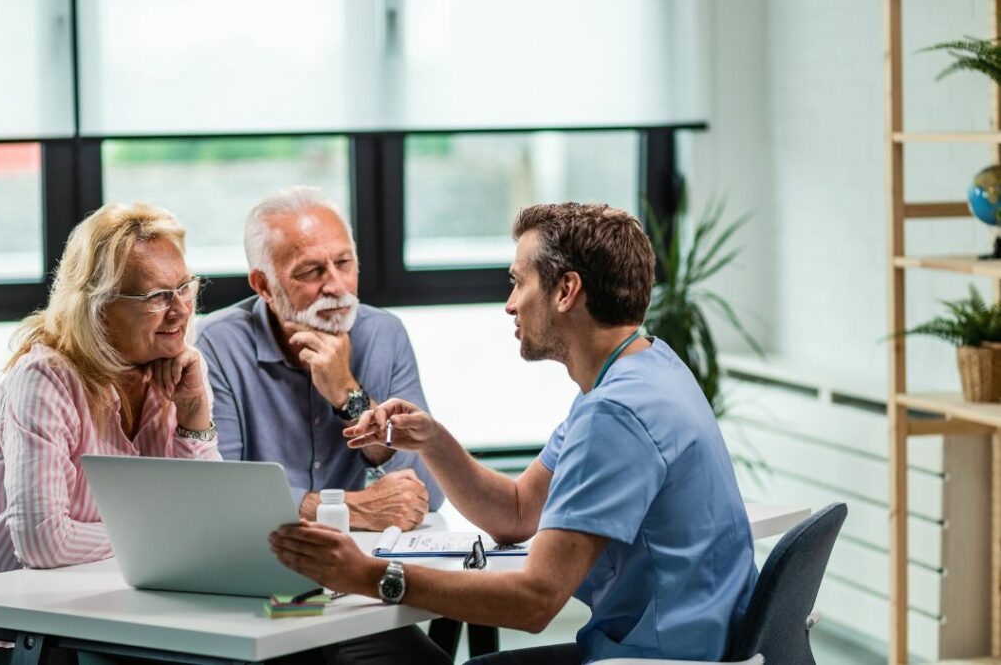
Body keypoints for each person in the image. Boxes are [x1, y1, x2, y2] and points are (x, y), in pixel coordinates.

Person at [270, 203, 759, 664]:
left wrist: (371, 575)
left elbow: (534, 601)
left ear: (566, 291)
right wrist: (433, 442)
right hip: (691, 644)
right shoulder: (642, 368)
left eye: (518, 282)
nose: (509, 305)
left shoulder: (615, 413)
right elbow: (519, 511)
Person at [0, 203, 221, 664]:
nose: (181, 309)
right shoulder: (44, 377)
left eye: (185, 286)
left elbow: (203, 519)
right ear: (99, 306)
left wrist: (193, 412)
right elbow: (44, 542)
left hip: (77, 612)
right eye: (157, 296)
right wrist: (163, 538)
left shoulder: (166, 371)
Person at [197, 186, 443, 531]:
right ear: (264, 286)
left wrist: (348, 394)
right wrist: (347, 509)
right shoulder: (216, 345)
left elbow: (429, 490)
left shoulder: (385, 333)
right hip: (261, 552)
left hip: (360, 555)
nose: (336, 285)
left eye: (344, 263)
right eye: (311, 271)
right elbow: (219, 491)